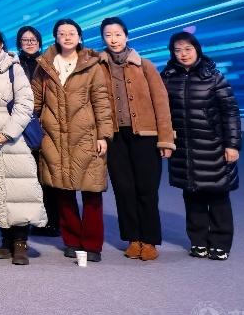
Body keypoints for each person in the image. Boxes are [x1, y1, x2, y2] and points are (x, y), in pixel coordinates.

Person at [31, 18, 114, 262]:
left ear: (79, 37)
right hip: (53, 137)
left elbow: (102, 102)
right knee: (62, 192)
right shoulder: (44, 65)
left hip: (86, 136)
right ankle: (72, 241)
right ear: (56, 37)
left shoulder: (93, 65)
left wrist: (103, 135)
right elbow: (35, 103)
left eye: (71, 33)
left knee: (92, 192)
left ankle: (92, 244)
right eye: (62, 33)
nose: (66, 37)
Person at [98, 16, 174, 260]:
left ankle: (149, 240)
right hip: (115, 137)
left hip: (146, 136)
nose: (113, 39)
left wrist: (165, 139)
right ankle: (133, 239)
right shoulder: (98, 66)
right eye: (108, 35)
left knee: (147, 188)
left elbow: (161, 103)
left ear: (126, 36)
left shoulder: (145, 65)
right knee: (123, 189)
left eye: (118, 34)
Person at [0, 26, 46, 265]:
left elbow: (25, 104)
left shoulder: (15, 67)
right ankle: (5, 240)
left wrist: (8, 133)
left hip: (14, 137)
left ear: (1, 43)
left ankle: (20, 242)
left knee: (19, 190)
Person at [162, 31, 241, 260]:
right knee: (192, 196)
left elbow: (230, 112)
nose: (183, 54)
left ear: (197, 49)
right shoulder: (167, 77)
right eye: (178, 50)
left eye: (188, 49)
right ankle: (198, 241)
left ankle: (220, 243)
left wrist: (232, 144)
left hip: (213, 146)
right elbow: (162, 113)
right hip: (183, 148)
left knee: (217, 195)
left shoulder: (214, 77)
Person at [15, 24, 60, 235]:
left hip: (46, 123)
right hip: (23, 125)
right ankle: (28, 220)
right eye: (25, 40)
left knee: (48, 175)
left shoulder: (48, 64)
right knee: (27, 176)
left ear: (40, 43)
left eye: (33, 40)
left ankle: (52, 220)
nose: (29, 43)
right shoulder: (14, 65)